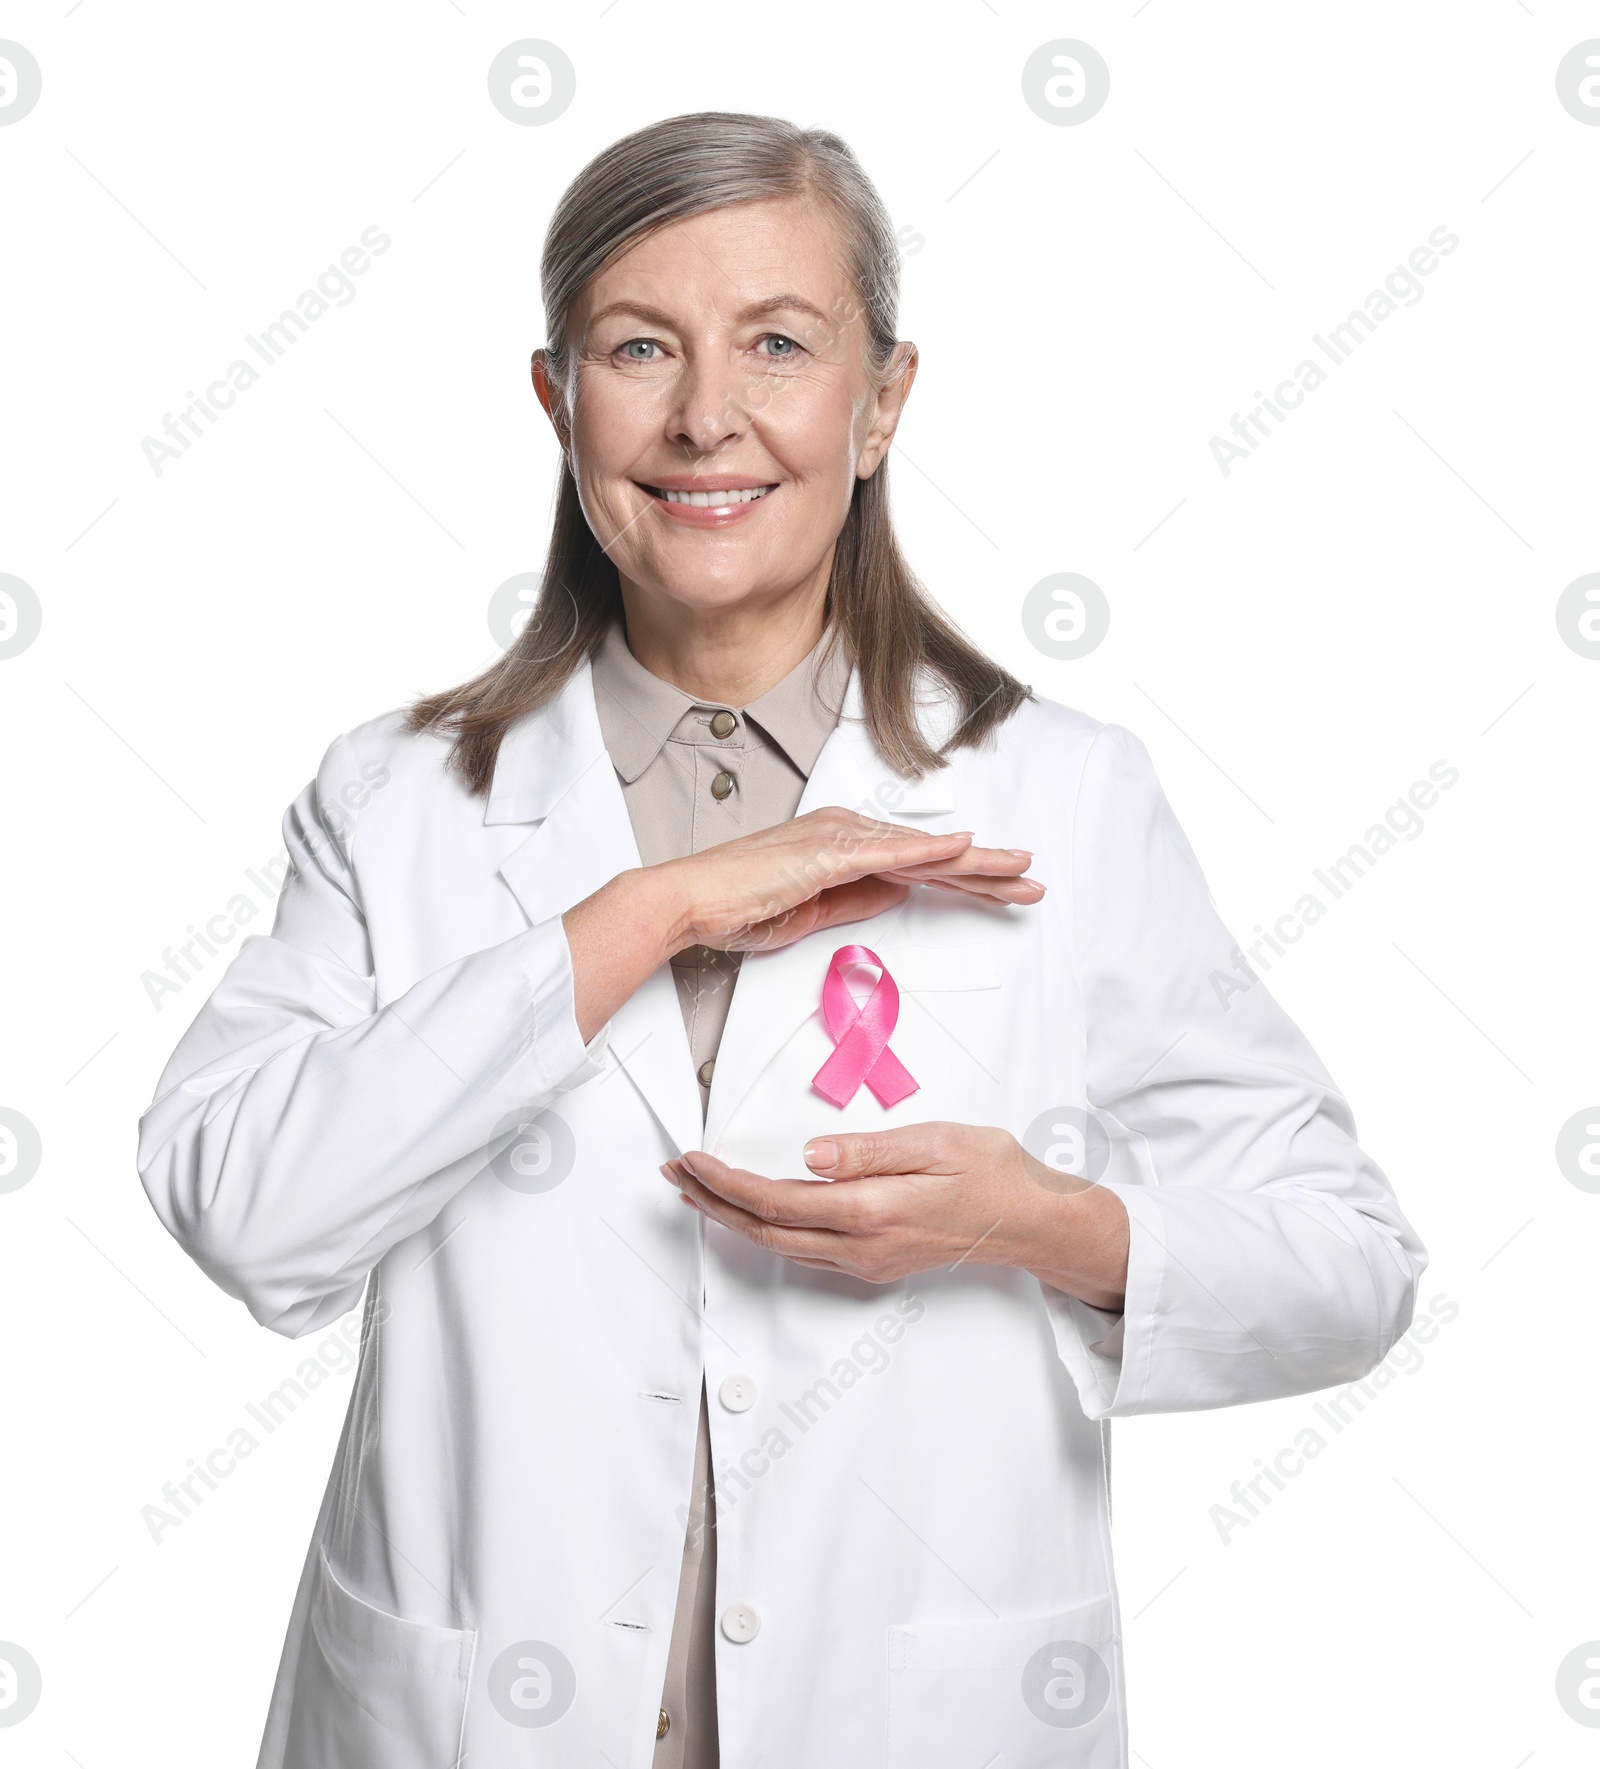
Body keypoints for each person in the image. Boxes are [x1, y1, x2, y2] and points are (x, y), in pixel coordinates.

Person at [138, 112, 1426, 1769]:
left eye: (780, 345)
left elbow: (1351, 1266)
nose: (705, 417)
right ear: (557, 400)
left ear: (881, 402)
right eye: (639, 347)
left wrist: (1045, 1223)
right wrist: (647, 912)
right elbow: (248, 1214)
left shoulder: (1065, 795)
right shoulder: (398, 801)